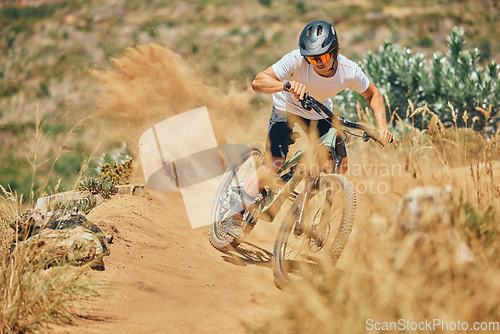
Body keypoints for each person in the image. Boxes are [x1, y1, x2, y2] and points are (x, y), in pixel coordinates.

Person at [221, 20, 393, 238]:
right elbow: (258, 82)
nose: (317, 62)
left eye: (322, 56)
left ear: (334, 51)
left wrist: (382, 128)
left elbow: (373, 95)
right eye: (312, 58)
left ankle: (304, 195)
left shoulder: (349, 71)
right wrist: (286, 85)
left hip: (319, 111)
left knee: (339, 166)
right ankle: (235, 213)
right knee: (273, 164)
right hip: (286, 108)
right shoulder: (295, 60)